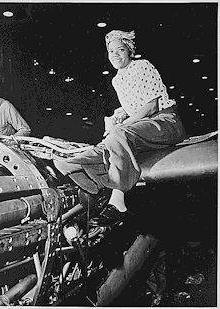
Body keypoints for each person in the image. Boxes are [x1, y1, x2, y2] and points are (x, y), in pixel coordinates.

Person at [54, 30, 186, 226]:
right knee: (67, 162)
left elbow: (151, 106)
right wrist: (117, 116)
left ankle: (118, 201)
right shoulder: (117, 79)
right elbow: (133, 104)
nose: (115, 54)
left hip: (166, 122)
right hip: (142, 125)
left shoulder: (143, 66)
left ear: (130, 51)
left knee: (117, 134)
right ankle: (97, 189)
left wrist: (121, 125)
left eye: (120, 49)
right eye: (111, 51)